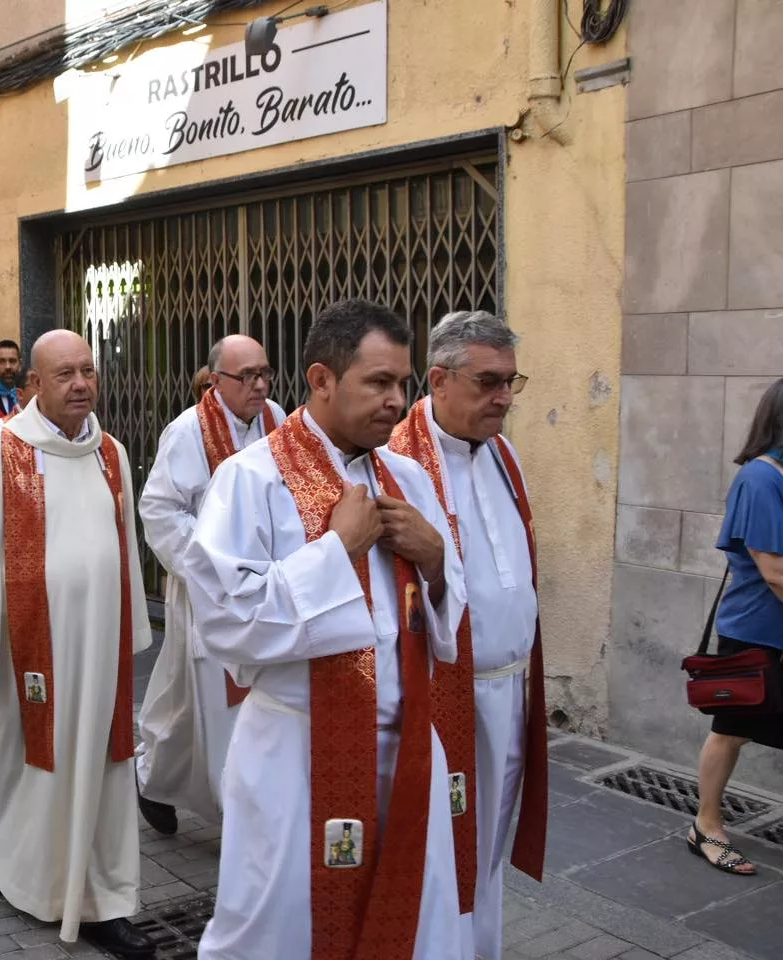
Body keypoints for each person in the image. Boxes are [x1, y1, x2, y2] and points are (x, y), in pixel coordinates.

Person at [182, 299, 467, 960]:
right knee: (278, 930)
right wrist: (335, 553)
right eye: (378, 383)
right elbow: (228, 625)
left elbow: (447, 617)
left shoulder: (410, 478)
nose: (398, 401)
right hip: (298, 758)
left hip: (407, 754)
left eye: (404, 382)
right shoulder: (249, 481)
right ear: (321, 380)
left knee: (411, 927)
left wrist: (436, 563)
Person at [0, 329, 154, 957]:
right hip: (27, 649)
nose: (81, 384)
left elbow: (123, 546)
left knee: (106, 767)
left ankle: (104, 896)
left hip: (98, 643)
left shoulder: (112, 452)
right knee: (23, 758)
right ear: (33, 383)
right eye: (64, 374)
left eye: (88, 371)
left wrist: (132, 623)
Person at [388, 311, 547, 960]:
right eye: (488, 382)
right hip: (440, 696)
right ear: (439, 380)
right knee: (440, 847)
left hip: (509, 690)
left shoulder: (503, 451)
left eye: (512, 381)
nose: (503, 397)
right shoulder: (398, 462)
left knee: (488, 843)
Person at [134, 335, 287, 834]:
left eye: (264, 373)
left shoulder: (278, 422)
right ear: (216, 380)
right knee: (211, 703)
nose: (259, 385)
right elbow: (158, 506)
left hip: (264, 588)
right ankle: (237, 817)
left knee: (198, 702)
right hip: (204, 593)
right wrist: (205, 562)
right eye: (247, 377)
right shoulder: (187, 432)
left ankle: (156, 777)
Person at [689, 377, 783, 878]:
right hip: (757, 633)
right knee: (731, 731)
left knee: (738, 732)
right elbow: (774, 571)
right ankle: (707, 825)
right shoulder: (761, 479)